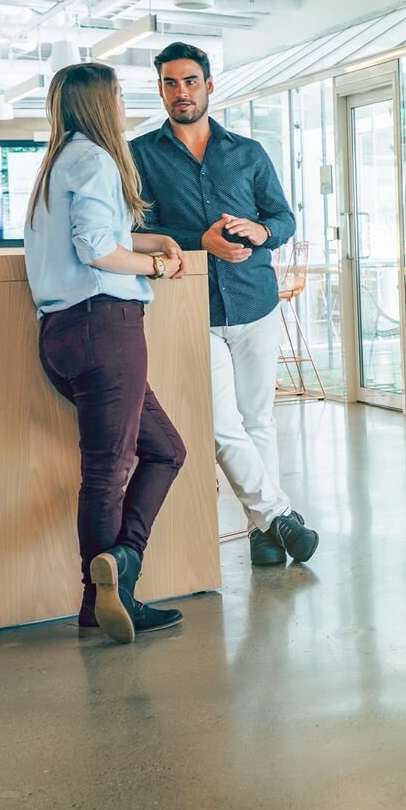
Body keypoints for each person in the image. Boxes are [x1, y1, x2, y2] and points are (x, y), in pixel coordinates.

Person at [131, 42, 320, 568]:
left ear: (209, 87)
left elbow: (283, 218)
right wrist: (200, 241)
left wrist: (262, 231)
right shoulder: (140, 155)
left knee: (259, 418)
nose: (181, 92)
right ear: (161, 90)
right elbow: (137, 228)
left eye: (190, 81)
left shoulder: (248, 153)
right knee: (220, 424)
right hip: (193, 309)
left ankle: (265, 531)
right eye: (171, 83)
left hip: (255, 302)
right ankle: (277, 515)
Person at [24, 62, 190, 643]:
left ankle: (119, 566)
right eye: (118, 95)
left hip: (61, 334)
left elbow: (98, 236)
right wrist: (156, 266)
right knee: (106, 471)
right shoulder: (95, 159)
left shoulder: (57, 164)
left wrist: (155, 239)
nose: (124, 104)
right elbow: (97, 249)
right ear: (101, 103)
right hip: (104, 327)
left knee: (165, 450)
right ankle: (102, 597)